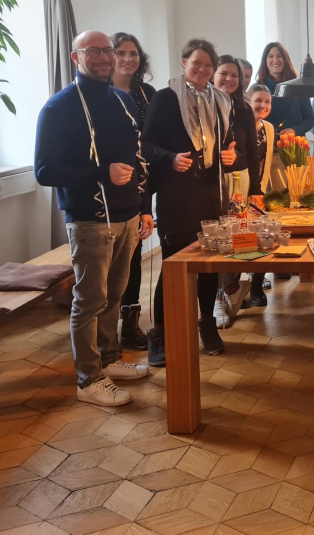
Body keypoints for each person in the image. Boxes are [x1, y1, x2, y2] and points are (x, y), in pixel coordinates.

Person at [35, 30, 153, 407]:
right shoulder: (58, 107)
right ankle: (88, 378)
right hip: (89, 218)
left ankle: (109, 358)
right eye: (95, 51)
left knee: (115, 294)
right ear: (76, 57)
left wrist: (142, 206)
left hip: (127, 215)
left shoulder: (121, 99)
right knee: (89, 299)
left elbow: (136, 155)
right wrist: (101, 172)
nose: (104, 57)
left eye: (108, 51)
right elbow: (44, 171)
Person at [142, 38, 237, 366]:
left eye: (208, 66)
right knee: (172, 265)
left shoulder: (222, 100)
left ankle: (207, 326)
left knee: (211, 264)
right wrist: (170, 158)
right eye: (196, 63)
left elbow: (230, 142)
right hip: (176, 194)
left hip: (211, 193)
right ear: (183, 62)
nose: (202, 70)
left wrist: (231, 153)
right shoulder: (165, 99)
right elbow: (146, 145)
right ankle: (160, 334)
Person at [109, 32, 157, 352]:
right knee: (105, 267)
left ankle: (130, 325)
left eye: (134, 53)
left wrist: (147, 205)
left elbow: (153, 147)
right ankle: (100, 334)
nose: (128, 58)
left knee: (134, 259)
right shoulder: (98, 94)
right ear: (109, 56)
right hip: (103, 190)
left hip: (140, 184)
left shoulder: (148, 94)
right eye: (121, 52)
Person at [253, 42, 314, 189]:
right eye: (271, 56)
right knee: (280, 197)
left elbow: (310, 119)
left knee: (300, 194)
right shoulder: (258, 87)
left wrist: (294, 130)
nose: (275, 60)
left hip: (297, 151)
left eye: (279, 56)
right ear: (265, 61)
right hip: (271, 151)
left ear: (285, 60)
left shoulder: (298, 86)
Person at [214, 56, 261, 203]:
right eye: (223, 73)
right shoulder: (202, 106)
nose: (229, 79)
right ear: (213, 75)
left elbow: (253, 151)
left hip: (239, 177)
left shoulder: (245, 109)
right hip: (211, 179)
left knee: (239, 224)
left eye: (234, 75)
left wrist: (256, 189)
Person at [246, 85, 276, 300]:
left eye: (267, 101)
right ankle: (232, 289)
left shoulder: (269, 128)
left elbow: (266, 165)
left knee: (262, 237)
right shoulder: (237, 125)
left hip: (259, 191)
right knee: (241, 238)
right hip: (238, 191)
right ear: (248, 101)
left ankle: (256, 284)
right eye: (258, 100)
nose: (262, 105)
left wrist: (261, 191)